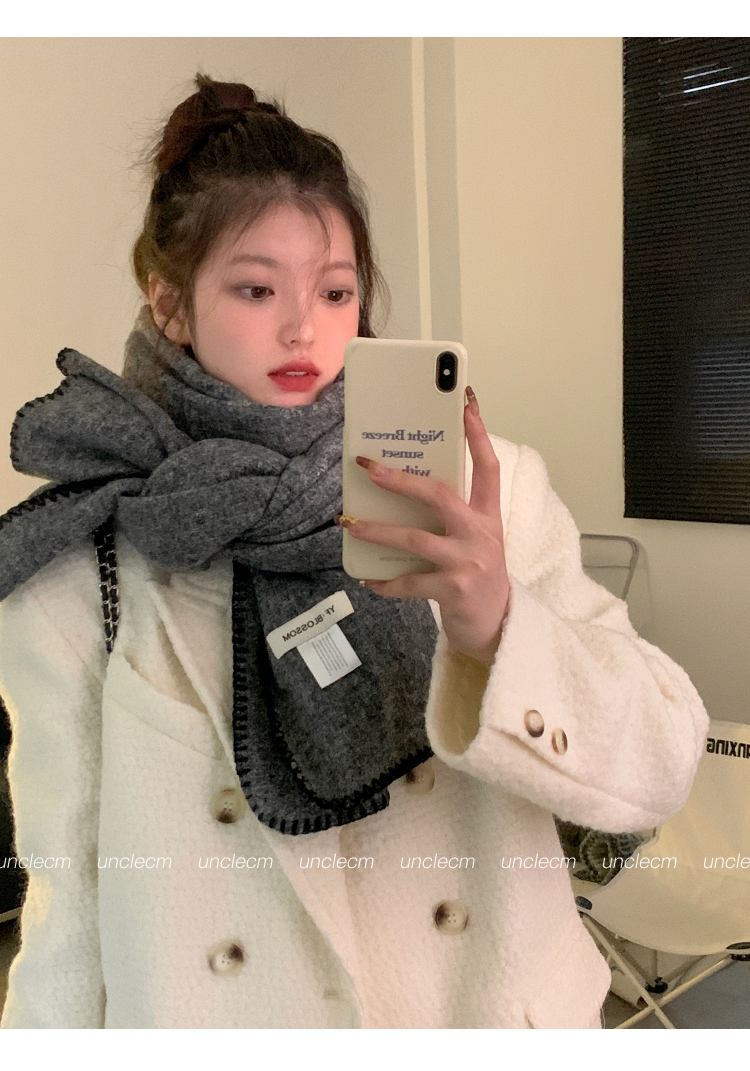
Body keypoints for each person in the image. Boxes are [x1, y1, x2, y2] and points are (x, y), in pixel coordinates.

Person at [0, 75, 708, 1030]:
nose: (304, 327)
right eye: (256, 288)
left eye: (335, 291)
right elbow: (71, 898)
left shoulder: (482, 497)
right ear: (169, 303)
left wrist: (504, 631)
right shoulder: (86, 557)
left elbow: (663, 763)